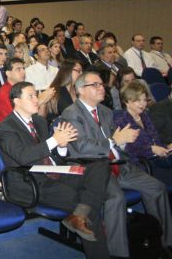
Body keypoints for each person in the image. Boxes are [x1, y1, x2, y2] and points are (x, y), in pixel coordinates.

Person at [61, 71, 172, 258]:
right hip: (95, 170)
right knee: (116, 198)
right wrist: (114, 141)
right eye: (95, 85)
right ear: (80, 90)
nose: (101, 88)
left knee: (157, 187)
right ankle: (118, 254)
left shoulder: (106, 111)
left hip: (120, 164)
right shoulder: (71, 114)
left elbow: (118, 142)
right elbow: (81, 147)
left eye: (101, 84)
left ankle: (165, 242)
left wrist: (124, 142)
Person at [0, 82, 111, 259]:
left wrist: (62, 146)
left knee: (100, 164)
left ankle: (78, 216)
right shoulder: (5, 127)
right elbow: (22, 157)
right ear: (16, 101)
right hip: (30, 182)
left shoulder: (40, 122)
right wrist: (54, 141)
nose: (37, 99)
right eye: (31, 96)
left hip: (55, 173)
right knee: (86, 202)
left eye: (36, 95)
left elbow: (55, 155)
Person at [114, 81, 172, 186]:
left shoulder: (145, 116)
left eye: (144, 100)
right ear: (127, 101)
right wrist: (151, 150)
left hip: (159, 160)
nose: (143, 104)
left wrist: (167, 147)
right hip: (143, 166)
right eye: (138, 100)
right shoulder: (121, 122)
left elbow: (156, 139)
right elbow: (128, 152)